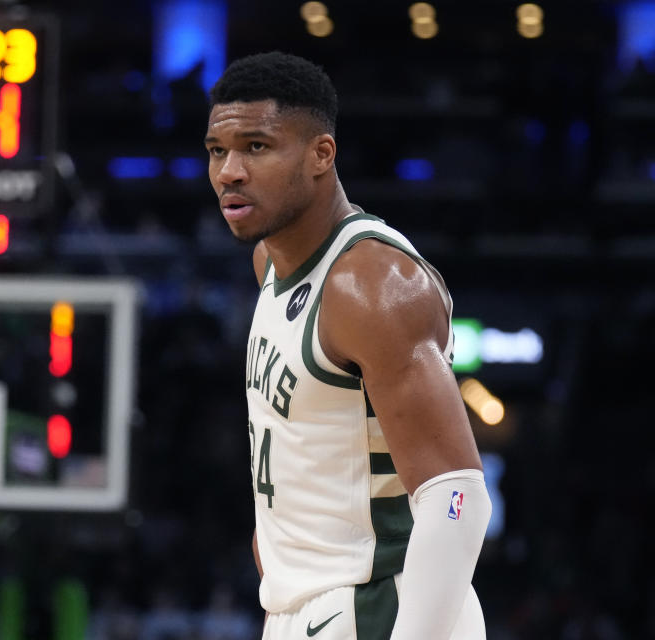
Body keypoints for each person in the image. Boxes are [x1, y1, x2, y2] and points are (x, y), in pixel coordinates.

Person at [203, 51, 492, 639]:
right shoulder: (271, 263)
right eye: (217, 150)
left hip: (380, 608)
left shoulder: (372, 287)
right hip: (301, 607)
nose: (230, 170)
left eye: (256, 147)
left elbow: (458, 500)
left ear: (321, 155)